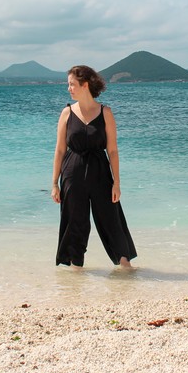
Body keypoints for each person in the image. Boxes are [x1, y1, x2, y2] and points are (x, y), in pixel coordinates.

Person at [51, 65, 137, 268]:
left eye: (72, 84)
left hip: (100, 171)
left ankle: (125, 267)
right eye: (68, 85)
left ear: (85, 85)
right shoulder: (67, 113)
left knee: (111, 219)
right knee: (75, 222)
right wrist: (54, 183)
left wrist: (117, 182)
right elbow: (60, 150)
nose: (69, 89)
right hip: (73, 171)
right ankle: (75, 270)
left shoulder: (105, 112)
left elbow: (113, 150)